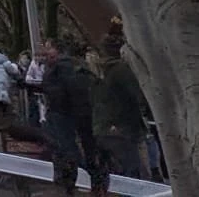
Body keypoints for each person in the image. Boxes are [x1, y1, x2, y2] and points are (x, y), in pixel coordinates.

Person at [39, 36, 107, 195]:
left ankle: (68, 185)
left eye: (48, 48)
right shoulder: (81, 68)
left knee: (65, 151)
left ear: (56, 50)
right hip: (84, 114)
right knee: (89, 150)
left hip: (62, 115)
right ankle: (98, 183)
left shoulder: (56, 69)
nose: (45, 52)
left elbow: (55, 94)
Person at [89, 35, 147, 180]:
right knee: (131, 171)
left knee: (112, 173)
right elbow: (138, 95)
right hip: (121, 128)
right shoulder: (121, 70)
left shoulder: (97, 71)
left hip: (102, 128)